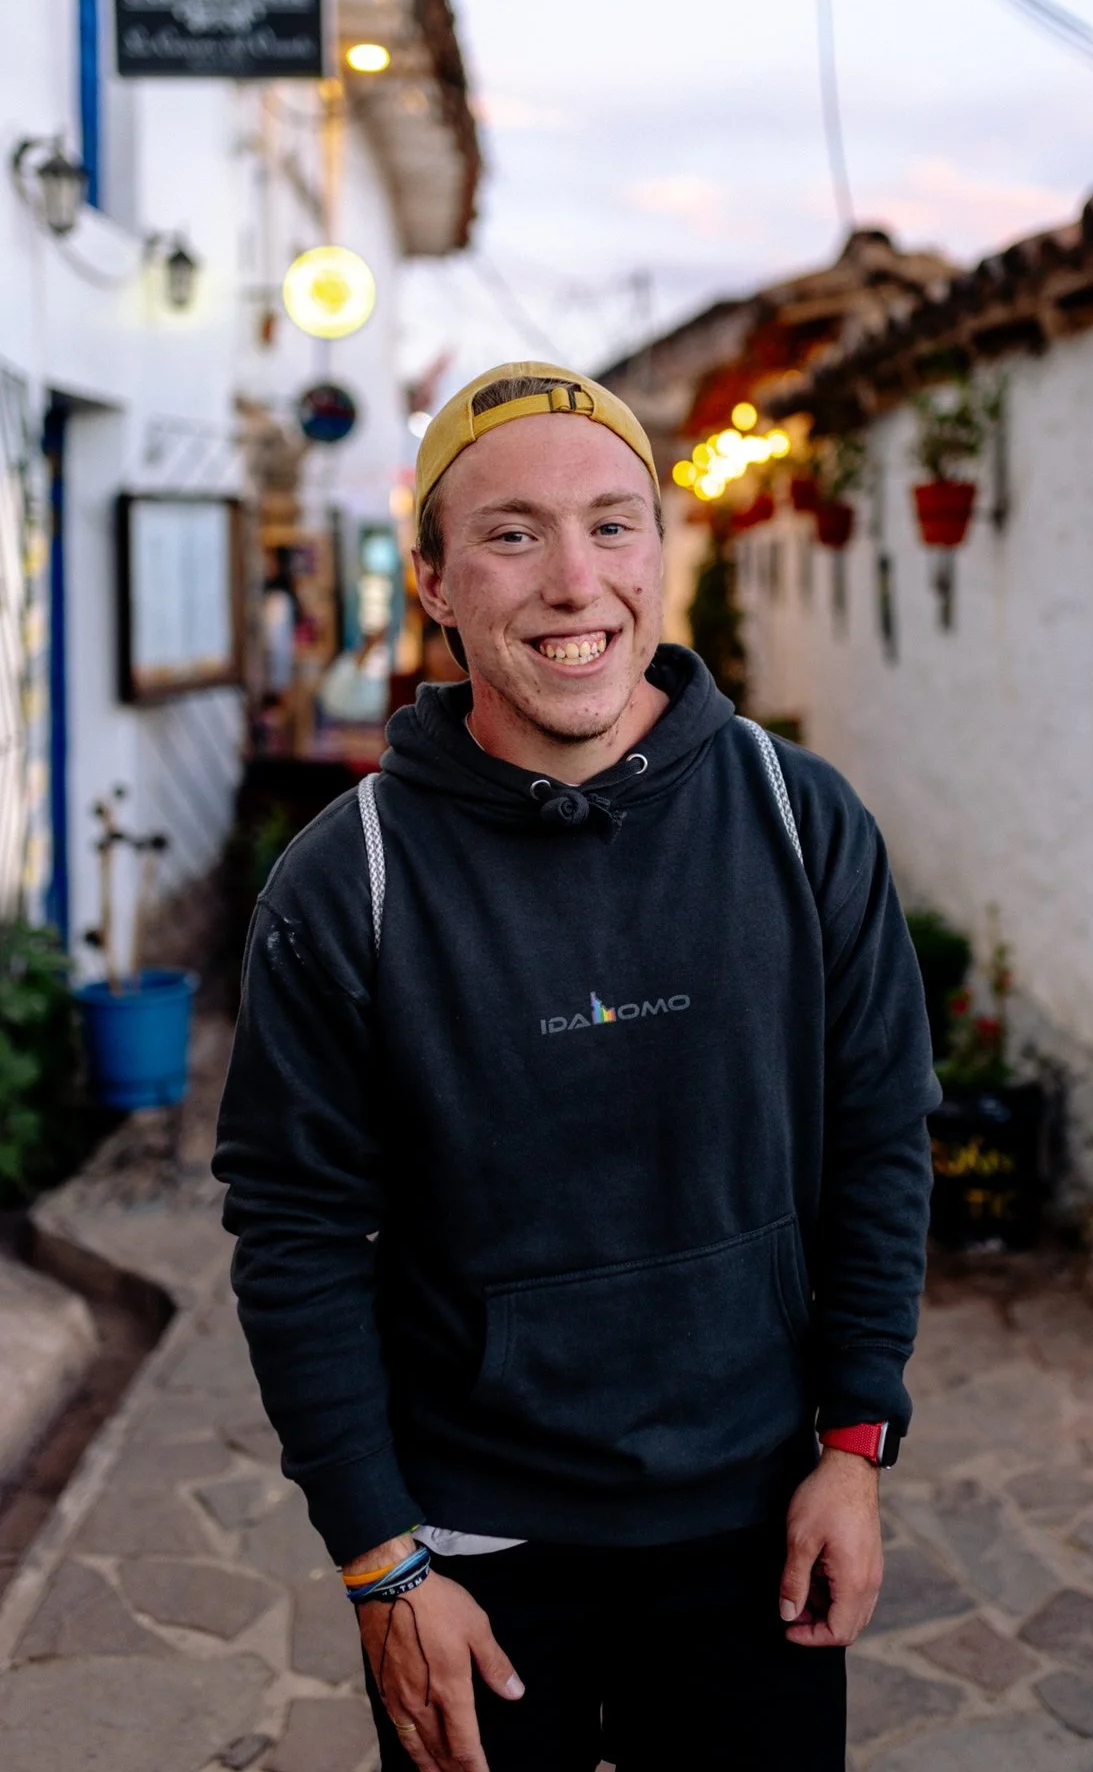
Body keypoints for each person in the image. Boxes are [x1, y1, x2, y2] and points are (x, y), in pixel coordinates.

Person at [214, 361, 938, 1772]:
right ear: (432, 580)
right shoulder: (345, 879)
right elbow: (294, 1234)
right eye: (509, 533)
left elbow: (878, 1143)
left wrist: (852, 1449)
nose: (572, 581)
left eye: (613, 525)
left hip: (753, 1523)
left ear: (661, 553)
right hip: (472, 1547)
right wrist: (378, 1563)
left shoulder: (803, 826)